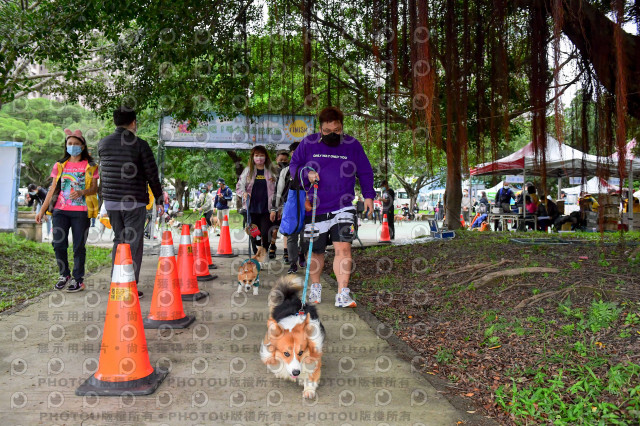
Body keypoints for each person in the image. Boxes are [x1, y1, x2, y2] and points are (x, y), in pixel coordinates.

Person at [289, 106, 375, 308]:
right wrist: (306, 174)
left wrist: (369, 195)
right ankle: (316, 287)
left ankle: (342, 293)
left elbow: (365, 171)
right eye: (327, 132)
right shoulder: (308, 143)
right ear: (320, 128)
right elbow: (294, 166)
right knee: (315, 251)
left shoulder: (352, 145)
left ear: (342, 127)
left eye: (336, 131)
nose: (331, 135)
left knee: (344, 249)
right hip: (315, 207)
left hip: (343, 206)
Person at [98, 107, 163, 299]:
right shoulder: (140, 144)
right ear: (133, 122)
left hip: (111, 202)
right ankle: (129, 285)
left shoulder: (103, 143)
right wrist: (158, 199)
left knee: (119, 240)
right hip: (133, 202)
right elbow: (152, 173)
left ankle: (115, 283)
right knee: (133, 242)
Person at [35, 129, 99, 292]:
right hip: (60, 211)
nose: (73, 146)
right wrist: (42, 210)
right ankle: (65, 275)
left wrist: (82, 192)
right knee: (58, 244)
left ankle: (78, 279)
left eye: (76, 144)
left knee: (78, 247)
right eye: (70, 144)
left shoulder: (91, 166)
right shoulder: (60, 165)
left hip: (81, 212)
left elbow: (94, 189)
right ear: (66, 146)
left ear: (83, 146)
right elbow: (52, 189)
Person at [272, 142, 308, 273]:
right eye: (294, 151)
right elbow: (278, 190)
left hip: (308, 206)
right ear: (292, 153)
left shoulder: (310, 167)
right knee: (292, 235)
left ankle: (301, 253)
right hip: (291, 206)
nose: (297, 153)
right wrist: (275, 208)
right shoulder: (286, 170)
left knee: (306, 235)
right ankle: (293, 263)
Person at [236, 145, 277, 253]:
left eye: (262, 155)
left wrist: (276, 208)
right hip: (251, 208)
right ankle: (256, 255)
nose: (259, 158)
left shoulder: (271, 171)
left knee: (265, 233)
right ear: (253, 157)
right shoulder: (248, 171)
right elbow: (239, 186)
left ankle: (264, 252)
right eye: (257, 155)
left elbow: (277, 190)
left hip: (266, 209)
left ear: (266, 157)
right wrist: (244, 193)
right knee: (254, 234)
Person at [268, 150, 290, 259]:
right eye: (281, 160)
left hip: (284, 203)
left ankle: (286, 250)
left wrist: (281, 207)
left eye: (285, 160)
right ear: (276, 160)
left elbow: (285, 190)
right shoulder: (271, 172)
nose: (283, 162)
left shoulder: (289, 171)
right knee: (274, 228)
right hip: (272, 203)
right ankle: (272, 245)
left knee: (286, 228)